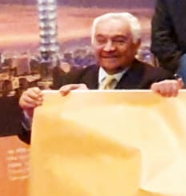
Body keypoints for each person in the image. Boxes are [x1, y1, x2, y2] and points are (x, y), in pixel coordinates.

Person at [17, 12, 170, 143]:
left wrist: (89, 102)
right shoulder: (71, 80)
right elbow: (37, 139)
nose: (109, 48)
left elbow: (156, 140)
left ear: (136, 44)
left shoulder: (156, 82)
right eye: (101, 40)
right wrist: (32, 114)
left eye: (119, 41)